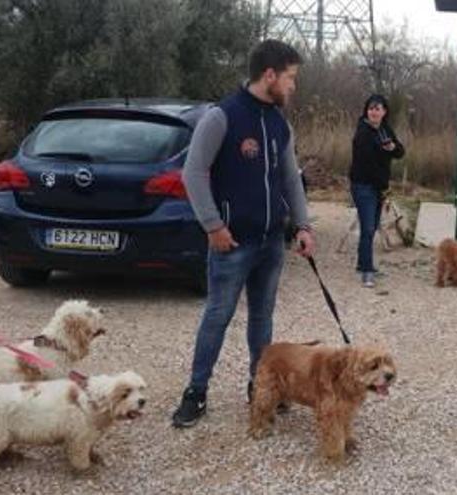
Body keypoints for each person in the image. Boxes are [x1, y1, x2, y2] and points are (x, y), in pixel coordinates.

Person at [172, 39, 315, 428]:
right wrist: (213, 225)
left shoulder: (278, 123)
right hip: (232, 243)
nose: (292, 86)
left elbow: (289, 178)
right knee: (217, 317)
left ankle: (261, 386)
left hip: (271, 241)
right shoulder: (223, 116)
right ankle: (196, 393)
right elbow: (193, 172)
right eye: (290, 78)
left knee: (262, 320)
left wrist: (302, 225)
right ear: (269, 75)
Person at [348, 94, 405, 288]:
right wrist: (385, 151)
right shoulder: (362, 132)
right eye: (371, 108)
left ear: (384, 112)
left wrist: (393, 147)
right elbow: (368, 161)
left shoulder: (385, 129)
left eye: (378, 108)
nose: (374, 111)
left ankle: (362, 263)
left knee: (372, 226)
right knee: (368, 227)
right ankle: (367, 271)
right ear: (366, 111)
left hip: (379, 186)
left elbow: (400, 152)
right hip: (363, 185)